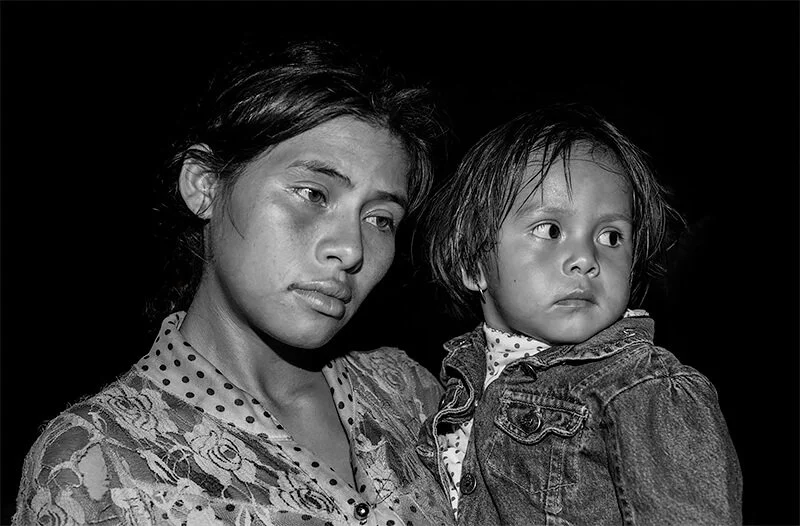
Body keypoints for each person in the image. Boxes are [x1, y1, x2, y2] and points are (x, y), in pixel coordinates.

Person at [14, 40, 455, 526]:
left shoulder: (409, 394)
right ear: (205, 184)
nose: (351, 250)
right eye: (312, 193)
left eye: (380, 219)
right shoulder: (95, 460)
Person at [418, 104, 742, 525]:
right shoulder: (459, 384)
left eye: (610, 236)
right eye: (550, 230)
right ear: (473, 264)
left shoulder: (643, 389)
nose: (585, 259)